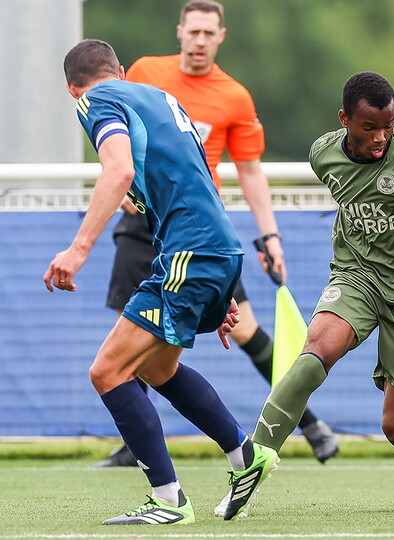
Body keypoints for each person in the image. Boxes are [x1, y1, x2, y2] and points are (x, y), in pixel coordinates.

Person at [219, 71, 394, 520]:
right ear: (345, 119)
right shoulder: (322, 155)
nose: (381, 137)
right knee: (315, 351)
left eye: (389, 125)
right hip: (357, 277)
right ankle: (252, 466)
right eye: (370, 128)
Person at [94, 0, 338, 468]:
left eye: (210, 33)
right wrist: (129, 186)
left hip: (196, 230)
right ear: (180, 32)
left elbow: (250, 173)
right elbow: (119, 141)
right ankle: (137, 445)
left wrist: (271, 237)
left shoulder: (234, 97)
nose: (201, 40)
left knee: (244, 329)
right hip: (142, 224)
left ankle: (307, 424)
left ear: (221, 36)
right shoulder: (145, 71)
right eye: (194, 31)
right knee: (133, 326)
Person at [50, 39, 277, 525]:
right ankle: (245, 457)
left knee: (107, 372)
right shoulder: (159, 97)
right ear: (123, 70)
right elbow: (192, 176)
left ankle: (169, 501)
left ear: (73, 89)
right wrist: (215, 286)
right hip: (216, 246)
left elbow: (119, 169)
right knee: (157, 369)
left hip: (191, 252)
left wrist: (78, 249)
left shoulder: (96, 101)